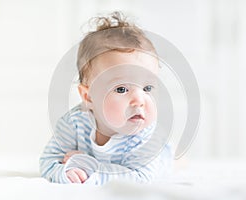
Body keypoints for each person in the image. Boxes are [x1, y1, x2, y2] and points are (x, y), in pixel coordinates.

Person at [40, 11, 173, 185]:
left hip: (159, 156)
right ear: (88, 97)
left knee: (170, 162)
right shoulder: (74, 123)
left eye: (147, 88)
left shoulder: (146, 134)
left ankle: (177, 158)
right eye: (122, 89)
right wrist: (67, 172)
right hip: (113, 163)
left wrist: (89, 168)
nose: (139, 100)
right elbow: (48, 162)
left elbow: (140, 177)